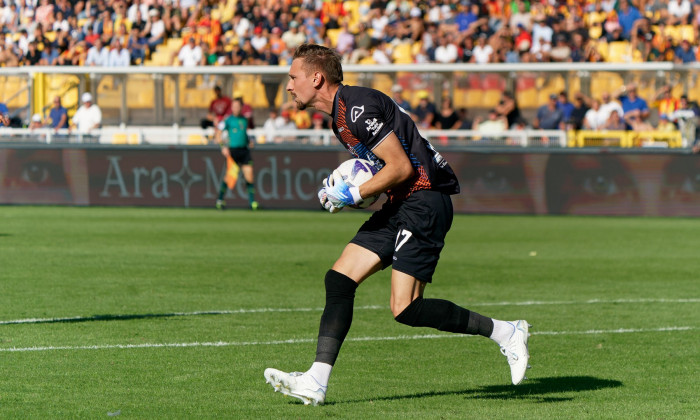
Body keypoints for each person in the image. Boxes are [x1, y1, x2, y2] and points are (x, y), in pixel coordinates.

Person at [263, 44, 530, 406]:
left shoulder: (357, 109)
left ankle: (506, 332)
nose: (290, 85)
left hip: (425, 202)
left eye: (293, 77)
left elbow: (402, 168)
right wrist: (352, 191)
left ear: (316, 77)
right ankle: (316, 381)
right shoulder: (341, 118)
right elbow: (385, 173)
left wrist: (352, 193)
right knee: (339, 279)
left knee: (405, 309)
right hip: (402, 202)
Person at [215, 98, 258, 210]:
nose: (235, 108)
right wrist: (223, 147)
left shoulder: (245, 120)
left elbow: (243, 134)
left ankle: (252, 202)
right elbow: (218, 134)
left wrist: (249, 141)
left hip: (244, 150)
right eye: (233, 106)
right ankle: (220, 200)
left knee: (249, 176)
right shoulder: (228, 120)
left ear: (241, 107)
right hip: (233, 151)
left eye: (237, 106)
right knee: (230, 177)